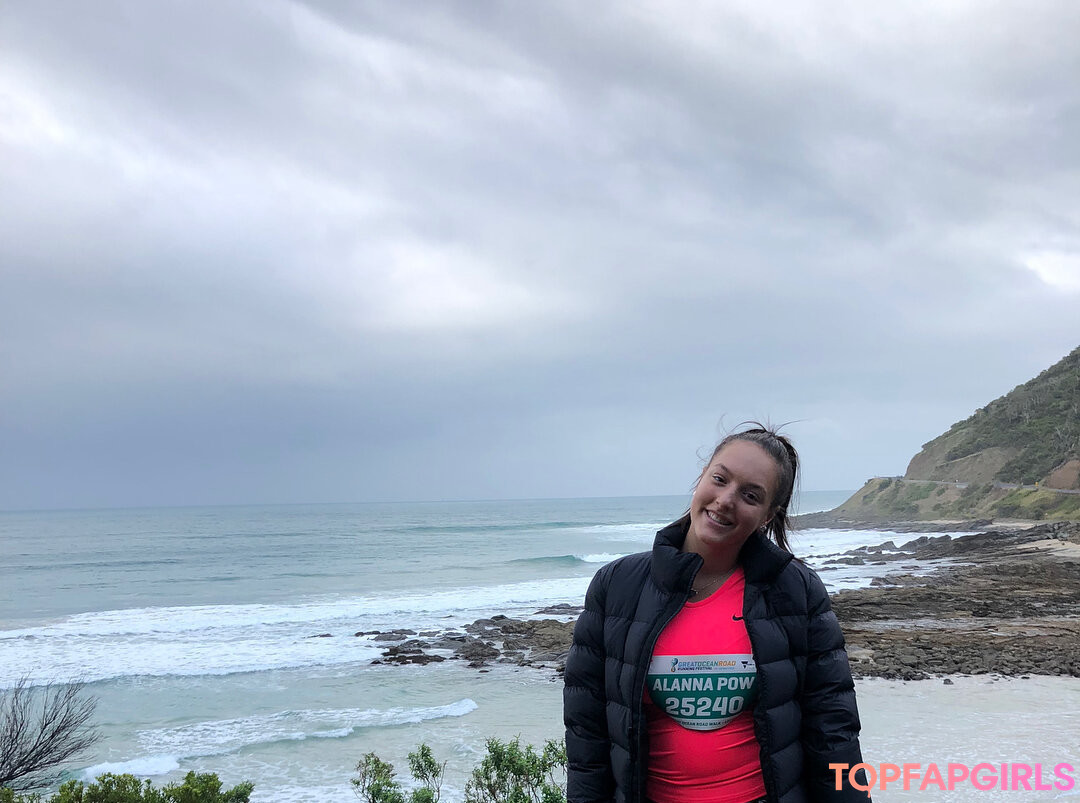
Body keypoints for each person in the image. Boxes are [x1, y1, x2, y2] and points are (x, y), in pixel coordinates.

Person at [563, 425, 869, 803]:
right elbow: (586, 732)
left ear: (768, 515)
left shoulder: (795, 591)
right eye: (720, 479)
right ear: (701, 477)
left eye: (750, 495)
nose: (725, 500)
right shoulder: (617, 586)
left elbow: (833, 730)